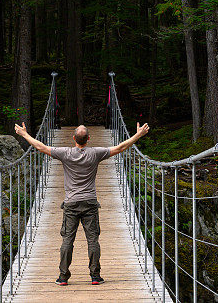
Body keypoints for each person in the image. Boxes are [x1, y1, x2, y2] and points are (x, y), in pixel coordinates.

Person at [14, 120, 150, 286]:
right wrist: (138, 134)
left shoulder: (65, 153)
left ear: (73, 138)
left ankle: (63, 277)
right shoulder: (95, 153)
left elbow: (40, 147)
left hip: (71, 204)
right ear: (89, 138)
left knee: (67, 241)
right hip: (90, 203)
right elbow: (120, 147)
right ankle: (95, 276)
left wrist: (24, 134)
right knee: (93, 240)